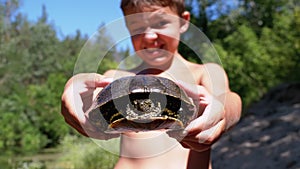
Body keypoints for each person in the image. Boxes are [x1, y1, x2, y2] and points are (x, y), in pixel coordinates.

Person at [61, 0, 242, 168]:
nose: (149, 36)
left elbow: (229, 100)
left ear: (183, 22)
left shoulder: (204, 73)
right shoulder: (117, 77)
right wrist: (75, 86)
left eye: (161, 23)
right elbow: (90, 101)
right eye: (137, 27)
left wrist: (223, 112)